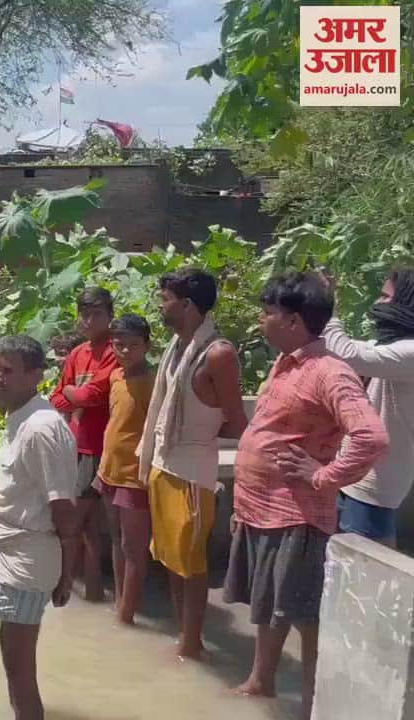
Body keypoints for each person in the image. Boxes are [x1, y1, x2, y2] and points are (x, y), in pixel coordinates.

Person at [225, 271, 388, 719]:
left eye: (268, 312)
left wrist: (323, 476)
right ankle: (263, 680)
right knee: (269, 606)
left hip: (296, 513)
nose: (261, 319)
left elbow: (371, 438)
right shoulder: (289, 361)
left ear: (294, 320)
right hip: (262, 508)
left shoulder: (329, 371)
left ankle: (316, 702)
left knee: (305, 615)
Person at [0, 334, 81, 720]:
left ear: (36, 375)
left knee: (19, 674)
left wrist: (67, 576)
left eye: (8, 371)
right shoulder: (20, 417)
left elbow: (65, 510)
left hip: (26, 562)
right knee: (13, 664)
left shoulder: (40, 428)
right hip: (12, 555)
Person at [137, 268, 247, 661]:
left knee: (192, 564)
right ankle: (184, 637)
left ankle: (191, 645)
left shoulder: (218, 353)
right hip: (164, 465)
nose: (160, 305)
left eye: (165, 299)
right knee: (169, 558)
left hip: (193, 472)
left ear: (186, 305)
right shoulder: (177, 345)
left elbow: (237, 420)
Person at [315, 268, 414, 547]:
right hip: (351, 474)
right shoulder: (388, 347)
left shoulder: (410, 352)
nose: (379, 303)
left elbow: (349, 353)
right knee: (343, 570)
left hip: (375, 486)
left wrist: (328, 306)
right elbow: (342, 349)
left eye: (386, 297)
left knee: (368, 575)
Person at [49, 287, 120, 602]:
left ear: (110, 316)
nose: (90, 321)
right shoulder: (78, 354)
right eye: (86, 314)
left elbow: (95, 394)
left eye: (98, 314)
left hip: (97, 447)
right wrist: (75, 396)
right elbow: (55, 396)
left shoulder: (114, 351)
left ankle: (63, 588)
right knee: (89, 527)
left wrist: (73, 396)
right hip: (73, 445)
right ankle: (91, 594)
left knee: (73, 520)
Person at [92, 314, 154, 625]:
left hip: (135, 475)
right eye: (119, 345)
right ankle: (120, 602)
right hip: (109, 470)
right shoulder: (116, 376)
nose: (126, 351)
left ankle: (126, 616)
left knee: (134, 548)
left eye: (133, 345)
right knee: (116, 540)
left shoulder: (154, 383)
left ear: (146, 345)